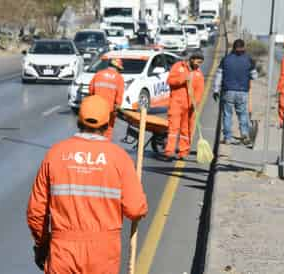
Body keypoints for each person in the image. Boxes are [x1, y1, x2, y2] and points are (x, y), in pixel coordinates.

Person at [27, 95, 148, 274]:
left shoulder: (55, 154)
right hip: (103, 254)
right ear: (107, 124)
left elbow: (36, 212)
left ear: (79, 121)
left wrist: (42, 245)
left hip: (63, 252)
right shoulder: (119, 158)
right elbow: (135, 209)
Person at [212, 39, 258, 145]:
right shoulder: (249, 60)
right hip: (243, 92)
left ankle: (227, 138)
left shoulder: (226, 59)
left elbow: (219, 75)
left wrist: (215, 90)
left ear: (233, 47)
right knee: (242, 114)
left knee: (227, 115)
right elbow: (255, 76)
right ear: (244, 47)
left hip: (227, 91)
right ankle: (245, 134)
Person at [164, 51, 205, 160]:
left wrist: (195, 102)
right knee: (173, 128)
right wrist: (183, 80)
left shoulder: (199, 74)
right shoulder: (178, 67)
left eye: (201, 63)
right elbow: (170, 81)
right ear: (192, 59)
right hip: (176, 104)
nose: (198, 64)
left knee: (186, 130)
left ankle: (183, 151)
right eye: (198, 62)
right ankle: (169, 151)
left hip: (189, 107)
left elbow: (199, 91)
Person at [89, 58, 125, 141]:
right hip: (109, 110)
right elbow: (119, 96)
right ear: (117, 68)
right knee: (107, 130)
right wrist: (117, 107)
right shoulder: (119, 78)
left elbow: (91, 90)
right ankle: (105, 146)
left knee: (95, 127)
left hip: (96, 107)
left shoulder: (98, 74)